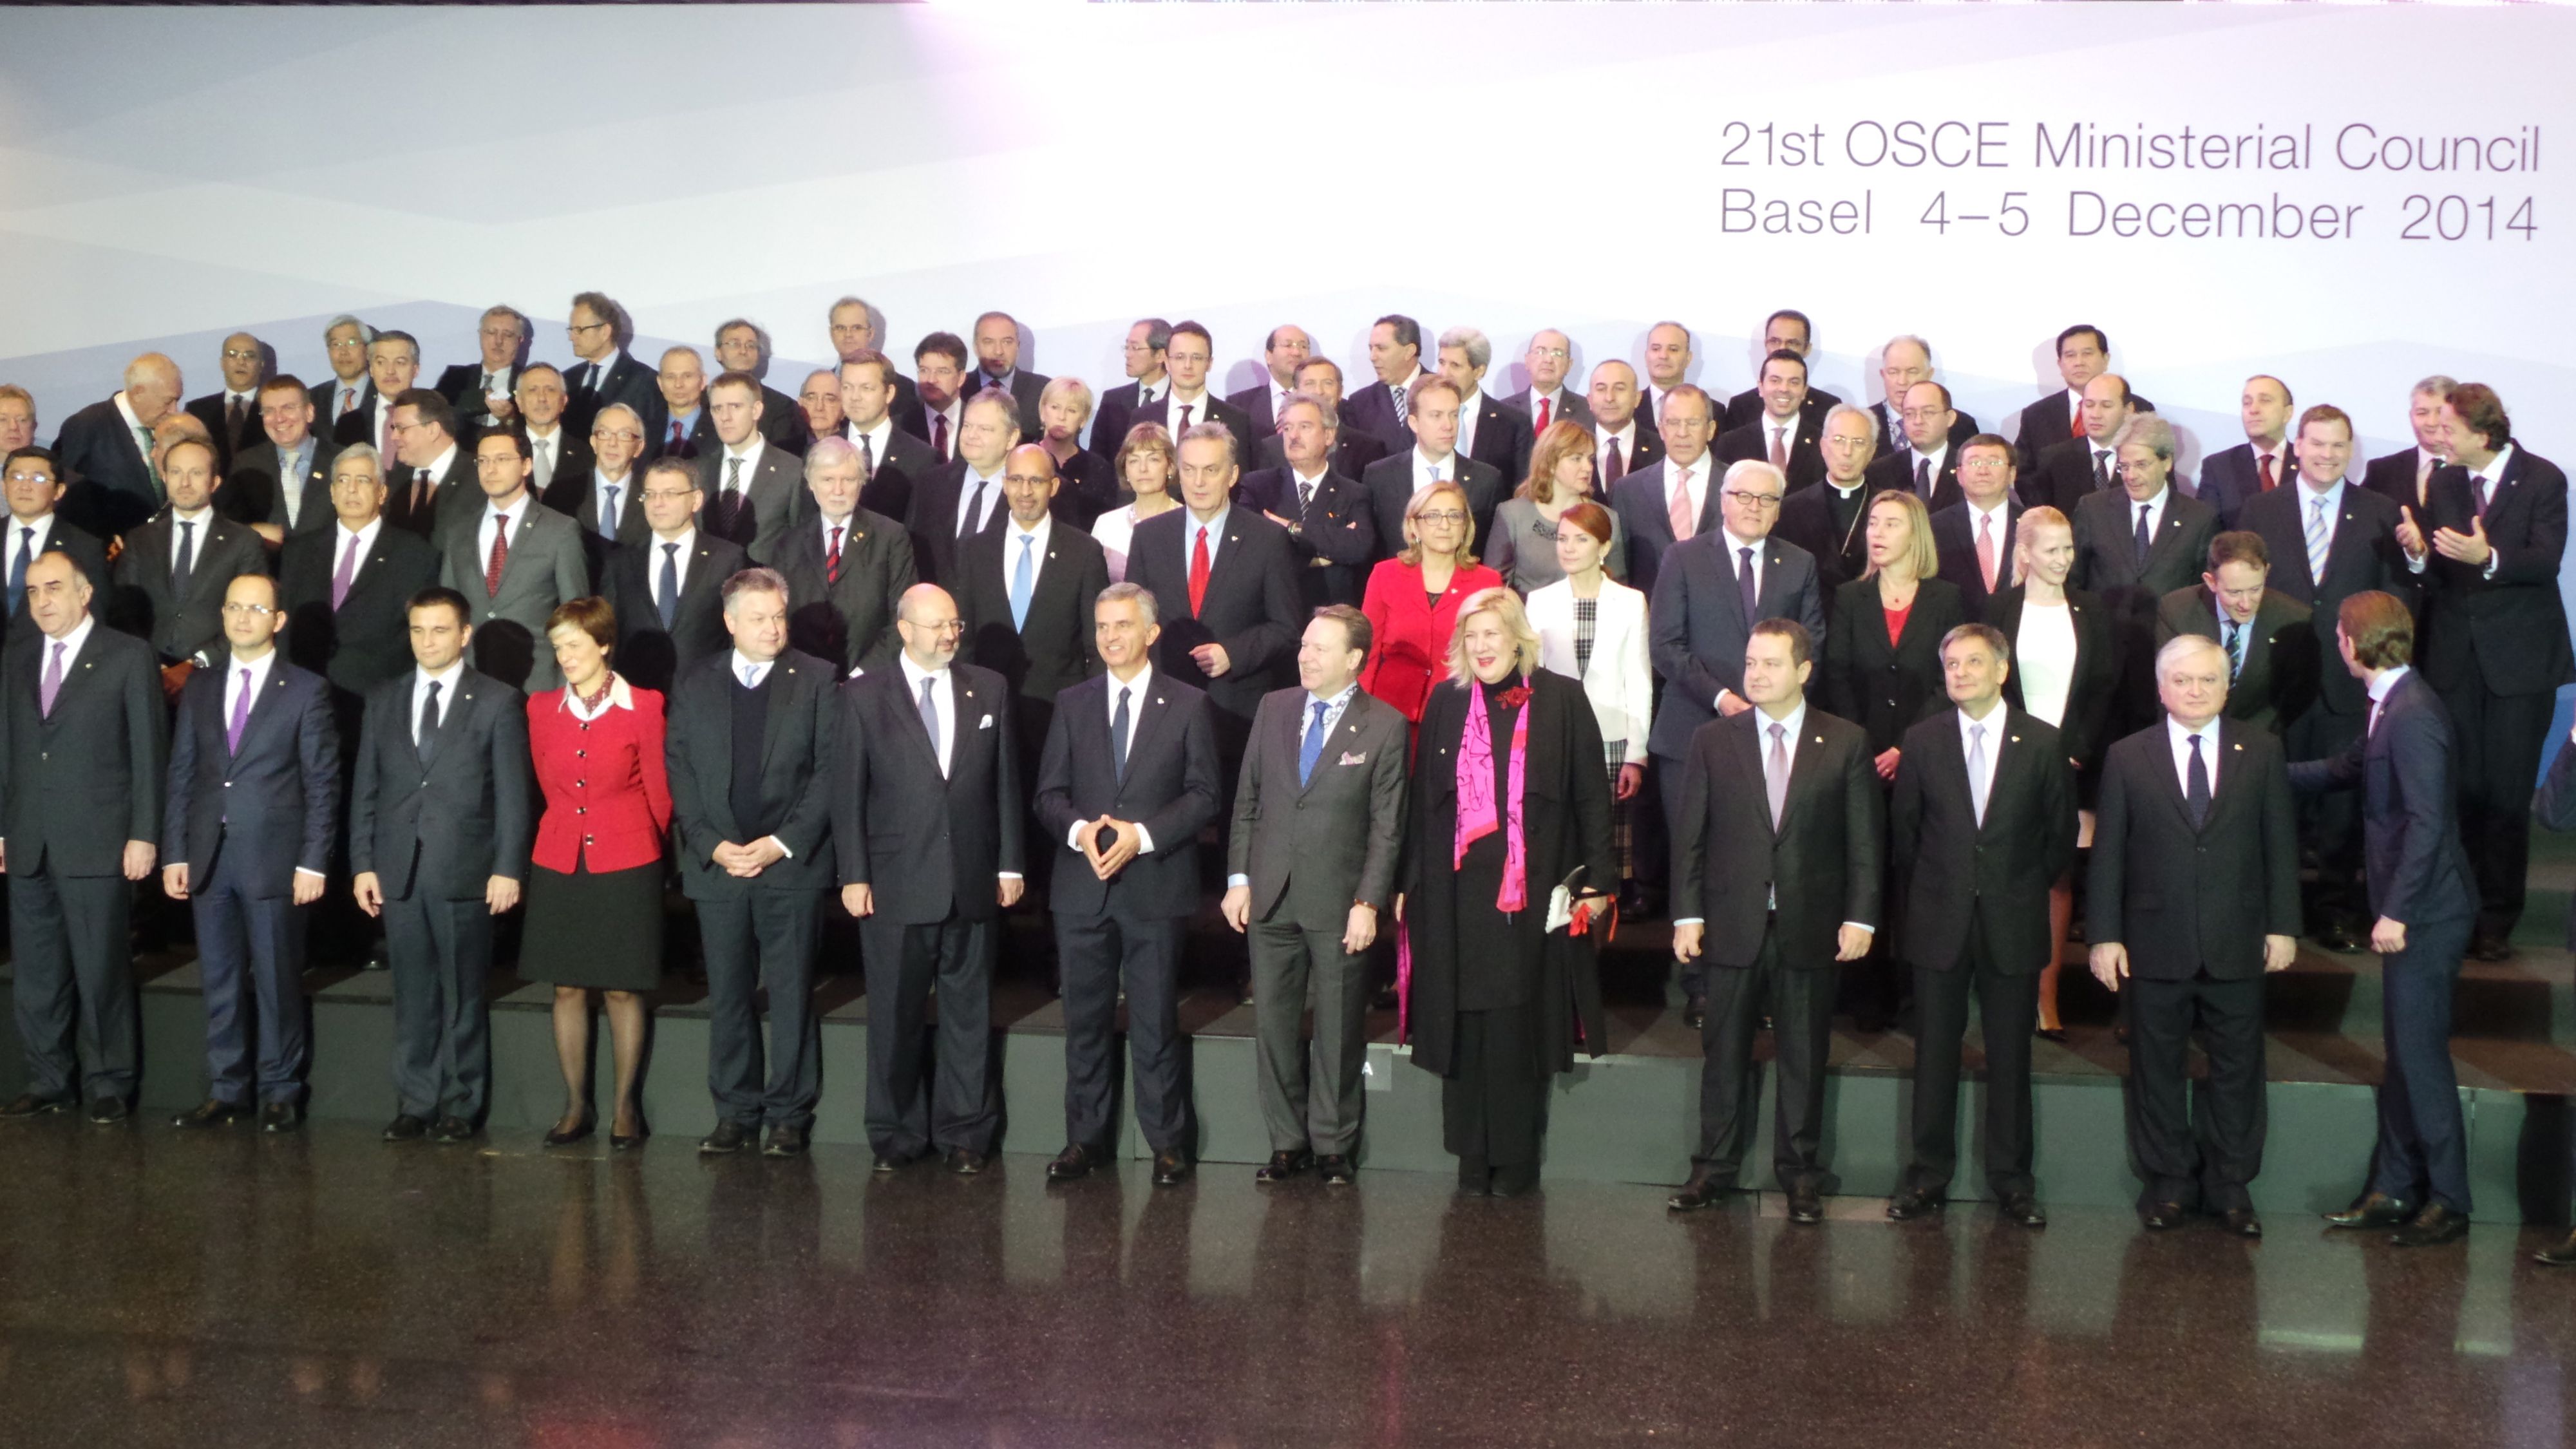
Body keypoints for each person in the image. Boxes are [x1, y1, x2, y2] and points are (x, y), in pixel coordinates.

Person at [1667, 618, 1880, 1222]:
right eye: (1751, 662)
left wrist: (1861, 918)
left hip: (1810, 924)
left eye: (1771, 664)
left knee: (1804, 1056)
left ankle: (1801, 1176)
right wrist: (1687, 914)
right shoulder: (1714, 740)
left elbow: (1864, 841)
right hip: (1731, 922)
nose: (1756, 674)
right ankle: (1712, 1170)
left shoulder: (1846, 741)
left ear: (1804, 671)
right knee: (1723, 1054)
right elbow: (1690, 838)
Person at [1404, 587, 1615, 1197]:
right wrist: (1410, 883)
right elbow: (1423, 802)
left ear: (1519, 638)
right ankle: (1472, 1157)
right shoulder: (1447, 700)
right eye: (1470, 636)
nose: (1480, 646)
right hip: (1458, 896)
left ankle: (1516, 1160)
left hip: (1533, 893)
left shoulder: (1562, 699)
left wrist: (1599, 882)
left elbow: (1591, 797)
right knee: (1464, 1024)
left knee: (1518, 1025)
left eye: (1491, 634)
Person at [2088, 633, 2300, 1237]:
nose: (2196, 690)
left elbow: (2279, 844)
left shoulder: (2261, 750)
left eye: (2209, 679)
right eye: (2182, 680)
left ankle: (2232, 1186)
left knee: (2239, 1068)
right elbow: (2109, 854)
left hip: (2238, 936)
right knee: (2156, 1068)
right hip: (2154, 938)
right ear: (2162, 689)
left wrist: (2284, 925)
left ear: (2227, 687)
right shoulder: (2128, 755)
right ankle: (2170, 1183)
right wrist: (2104, 935)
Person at [2288, 592, 2476, 1247]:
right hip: (2419, 909)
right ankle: (2394, 1187)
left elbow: (2427, 823)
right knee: (2404, 1054)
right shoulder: (2389, 703)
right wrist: (2252, 769)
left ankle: (2449, 1198)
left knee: (2420, 1058)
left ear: (2351, 642)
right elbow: (2345, 769)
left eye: (2339, 636)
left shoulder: (2412, 714)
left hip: (2427, 913)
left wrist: (2396, 909)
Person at [1885, 624, 2076, 1227]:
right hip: (1937, 920)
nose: (1961, 673)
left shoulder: (2042, 742)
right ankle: (1926, 1176)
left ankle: (2013, 1182)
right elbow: (1906, 834)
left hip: (2012, 919)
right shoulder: (1922, 740)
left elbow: (2059, 835)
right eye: (1951, 664)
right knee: (1934, 1055)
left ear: (2001, 670)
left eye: (1973, 662)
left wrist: (2013, 885)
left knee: (2011, 1056)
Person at [1033, 582, 1220, 1186]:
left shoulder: (1188, 705)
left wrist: (1142, 836)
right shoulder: (1072, 703)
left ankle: (1167, 1143)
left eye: (1122, 625)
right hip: (1081, 889)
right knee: (1084, 1022)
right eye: (1102, 626)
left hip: (1155, 888)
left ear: (1151, 632)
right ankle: (1084, 1140)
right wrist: (1080, 831)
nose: (1110, 637)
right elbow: (1048, 794)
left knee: (1155, 1020)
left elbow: (1205, 794)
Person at [837, 583, 1025, 1175]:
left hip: (971, 878)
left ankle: (966, 1133)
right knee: (894, 1017)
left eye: (955, 624)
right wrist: (854, 875)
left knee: (969, 1016)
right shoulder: (864, 696)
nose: (950, 635)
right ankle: (896, 1133)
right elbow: (848, 794)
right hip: (895, 883)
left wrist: (1010, 863)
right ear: (904, 629)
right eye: (938, 625)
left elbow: (1005, 783)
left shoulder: (989, 688)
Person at [1224, 604, 1409, 1186]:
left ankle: (1333, 1144)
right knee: (1274, 1028)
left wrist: (1368, 902)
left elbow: (1387, 827)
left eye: (1319, 648)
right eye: (1304, 644)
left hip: (1339, 902)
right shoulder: (1273, 708)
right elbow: (1248, 801)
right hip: (1270, 895)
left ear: (1354, 659)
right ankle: (1287, 1142)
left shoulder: (1385, 725)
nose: (1304, 656)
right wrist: (1238, 880)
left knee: (1338, 1029)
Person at [348, 586, 533, 1144]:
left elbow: (513, 795)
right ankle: (416, 1101)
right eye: (418, 630)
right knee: (412, 994)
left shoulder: (497, 701)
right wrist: (362, 862)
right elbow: (366, 787)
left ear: (464, 634)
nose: (427, 641)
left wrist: (508, 867)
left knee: (462, 994)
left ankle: (460, 1102)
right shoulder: (384, 698)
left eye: (439, 630)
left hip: (465, 868)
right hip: (398, 867)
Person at [665, 568, 839, 1157]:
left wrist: (782, 843)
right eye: (760, 618)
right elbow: (680, 767)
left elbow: (829, 772)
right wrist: (709, 843)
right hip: (718, 865)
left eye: (779, 617)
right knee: (729, 993)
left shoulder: (817, 679)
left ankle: (788, 1115)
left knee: (791, 992)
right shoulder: (696, 680)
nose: (773, 628)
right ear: (730, 622)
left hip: (788, 865)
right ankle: (735, 1112)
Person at [1647, 459, 1826, 1025]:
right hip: (1692, 732)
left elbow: (1813, 645)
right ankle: (1702, 984)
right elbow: (1666, 645)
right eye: (1743, 496)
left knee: (1760, 860)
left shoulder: (1799, 563)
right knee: (1697, 856)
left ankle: (1762, 986)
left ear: (1779, 508)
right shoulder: (1683, 557)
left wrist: (1773, 705)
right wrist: (1724, 698)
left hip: (1775, 736)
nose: (1754, 507)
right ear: (1722, 499)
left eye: (1766, 499)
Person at [2395, 382, 2568, 961]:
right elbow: (2436, 571)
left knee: (2506, 795)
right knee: (2461, 791)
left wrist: (2487, 557)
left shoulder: (2543, 479)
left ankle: (2496, 919)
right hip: (2454, 660)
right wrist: (2417, 553)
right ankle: (2458, 908)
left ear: (2483, 433)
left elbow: (2546, 561)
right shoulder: (2444, 481)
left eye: (2447, 428)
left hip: (2520, 664)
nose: (2435, 434)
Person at [160, 573, 338, 1132]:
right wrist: (175, 853)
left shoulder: (306, 690)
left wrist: (313, 860)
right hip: (209, 856)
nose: (242, 617)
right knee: (219, 979)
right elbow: (183, 773)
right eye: (234, 606)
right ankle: (226, 1088)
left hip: (275, 859)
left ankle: (281, 1089)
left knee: (279, 980)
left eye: (255, 609)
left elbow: (322, 783)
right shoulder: (201, 687)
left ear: (278, 621)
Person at [2239, 404, 2414, 952]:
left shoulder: (2380, 511)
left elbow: (2393, 598)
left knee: (2343, 807)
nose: (2328, 454)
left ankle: (2336, 911)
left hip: (2347, 685)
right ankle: (2279, 913)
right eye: (2317, 443)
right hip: (2277, 684)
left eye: (2339, 445)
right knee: (2277, 802)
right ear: (2297, 446)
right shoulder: (2259, 509)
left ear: (2351, 450)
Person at [0, 553, 167, 1122]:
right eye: (32, 591)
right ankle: (49, 1078)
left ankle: (108, 1081)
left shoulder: (127, 655)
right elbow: (8, 749)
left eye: (53, 588)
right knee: (37, 974)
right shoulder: (18, 657)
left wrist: (144, 834)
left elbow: (148, 752)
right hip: (29, 839)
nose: (42, 600)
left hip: (98, 840)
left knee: (101, 972)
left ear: (85, 592)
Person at [522, 597, 672, 1152]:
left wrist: (642, 847)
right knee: (566, 986)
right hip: (560, 858)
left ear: (604, 645)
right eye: (557, 646)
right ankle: (575, 1105)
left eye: (575, 645)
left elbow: (659, 793)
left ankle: (625, 1107)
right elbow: (547, 783)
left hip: (627, 859)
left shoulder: (645, 706)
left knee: (621, 988)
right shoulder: (541, 708)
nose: (565, 656)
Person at [1824, 489, 1964, 1030]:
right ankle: (1861, 996)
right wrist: (1862, 747)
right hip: (1860, 760)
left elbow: (1947, 681)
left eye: (1891, 524)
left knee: (1916, 880)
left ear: (1916, 535)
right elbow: (1837, 673)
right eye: (1873, 523)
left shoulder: (1946, 598)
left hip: (1923, 760)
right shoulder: (1851, 597)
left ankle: (1913, 997)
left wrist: (1906, 747)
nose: (1877, 533)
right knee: (1864, 871)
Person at [1985, 507, 2114, 1041]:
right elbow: (1988, 684)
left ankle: (2046, 994)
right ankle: (2004, 991)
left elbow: (2104, 684)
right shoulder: (1998, 608)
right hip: (2008, 761)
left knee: (2057, 877)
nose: (2063, 559)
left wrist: (2075, 748)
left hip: (2071, 764)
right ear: (2025, 553)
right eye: (2052, 549)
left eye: (2068, 549)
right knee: (2005, 874)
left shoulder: (2091, 609)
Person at [1124, 422, 1302, 784]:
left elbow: (1287, 628)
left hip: (1237, 713)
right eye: (1189, 470)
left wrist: (1232, 654)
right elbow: (1133, 624)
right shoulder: (1149, 536)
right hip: (1163, 713)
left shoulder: (1267, 540)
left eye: (1210, 470)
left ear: (1233, 475)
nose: (1198, 482)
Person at [956, 443, 1111, 770]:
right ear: (1004, 484)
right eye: (1016, 480)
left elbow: (1096, 645)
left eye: (1036, 481)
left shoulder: (1084, 552)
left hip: (1058, 717)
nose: (1025, 491)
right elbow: (964, 641)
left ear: (1053, 486)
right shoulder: (974, 550)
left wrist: (1085, 713)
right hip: (987, 715)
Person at [1526, 502, 1651, 904]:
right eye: (1563, 539)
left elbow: (1639, 679)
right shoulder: (1539, 601)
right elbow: (1534, 676)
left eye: (1581, 539)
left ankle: (1601, 919)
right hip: (1557, 736)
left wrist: (1636, 754)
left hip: (1611, 736)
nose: (1568, 548)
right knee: (1562, 836)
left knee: (1605, 842)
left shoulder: (1630, 601)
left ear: (1604, 547)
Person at [2072, 413, 2219, 741]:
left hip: (2165, 664)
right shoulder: (2093, 509)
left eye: (2141, 465)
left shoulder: (2199, 518)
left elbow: (2203, 596)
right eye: (2124, 466)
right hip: (2103, 663)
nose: (2131, 476)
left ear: (2166, 461)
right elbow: (2075, 581)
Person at [111, 435, 268, 700]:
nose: (184, 483)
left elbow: (252, 614)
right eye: (176, 472)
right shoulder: (140, 539)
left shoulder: (243, 542)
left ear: (215, 482)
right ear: (164, 477)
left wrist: (197, 663)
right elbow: (124, 612)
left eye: (196, 473)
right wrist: (154, 665)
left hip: (216, 681)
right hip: (148, 679)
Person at [439, 428, 588, 692]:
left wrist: (566, 690)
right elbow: (447, 610)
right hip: (471, 682)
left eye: (502, 459)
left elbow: (576, 618)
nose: (490, 469)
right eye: (483, 461)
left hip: (537, 683)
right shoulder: (459, 531)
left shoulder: (560, 530)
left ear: (526, 465)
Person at [1359, 479, 1504, 724]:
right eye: (1433, 516)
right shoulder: (1384, 575)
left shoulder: (1487, 581)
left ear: (1465, 526)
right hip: (1391, 711)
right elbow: (1367, 652)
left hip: (1460, 710)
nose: (1445, 525)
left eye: (1454, 516)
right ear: (1413, 526)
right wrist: (1360, 711)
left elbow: (1495, 652)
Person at [770, 437, 916, 676]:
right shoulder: (789, 545)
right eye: (827, 479)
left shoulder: (891, 538)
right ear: (811, 483)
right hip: (806, 678)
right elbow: (779, 619)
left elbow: (903, 618)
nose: (838, 490)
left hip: (871, 680)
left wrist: (860, 675)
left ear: (862, 482)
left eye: (848, 480)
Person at [603, 457, 749, 695]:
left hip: (705, 695)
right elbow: (609, 635)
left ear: (696, 500)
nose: (658, 503)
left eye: (670, 494)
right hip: (637, 697)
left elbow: (738, 636)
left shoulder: (727, 559)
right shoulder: (620, 563)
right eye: (650, 494)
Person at [2152, 531, 2320, 735]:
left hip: (2258, 739)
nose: (2246, 604)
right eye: (2234, 592)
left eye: (2255, 589)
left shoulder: (2293, 619)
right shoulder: (2177, 610)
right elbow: (2168, 686)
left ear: (2266, 572)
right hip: (2191, 733)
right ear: (2211, 581)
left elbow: (2296, 698)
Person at [1235, 392, 1376, 611]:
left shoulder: (1354, 493)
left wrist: (1292, 529)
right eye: (1287, 428)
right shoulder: (1258, 486)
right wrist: (1319, 557)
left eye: (1305, 427)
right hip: (1273, 612)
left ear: (1329, 436)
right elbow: (1247, 548)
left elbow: (1357, 548)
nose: (1293, 436)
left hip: (1332, 615)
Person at [1361, 375, 1507, 554]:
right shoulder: (1379, 476)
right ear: (1414, 423)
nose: (1448, 426)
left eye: (1454, 415)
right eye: (1436, 416)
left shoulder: (1486, 480)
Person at [1605, 383, 1716, 604]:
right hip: (1649, 614)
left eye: (1693, 423)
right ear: (1661, 429)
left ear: (1711, 429)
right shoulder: (1629, 491)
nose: (1682, 433)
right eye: (1673, 423)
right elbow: (1619, 569)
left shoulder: (1738, 487)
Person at [1490, 419, 1628, 593]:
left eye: (1590, 459)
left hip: (1588, 610)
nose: (1588, 467)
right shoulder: (1513, 515)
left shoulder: (1606, 517)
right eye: (1576, 459)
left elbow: (1618, 587)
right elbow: (1494, 587)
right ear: (1550, 464)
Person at [54, 352, 184, 538]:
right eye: (168, 401)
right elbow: (64, 495)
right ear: (138, 393)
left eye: (177, 400)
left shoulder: (169, 429)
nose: (174, 411)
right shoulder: (87, 425)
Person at [905, 387, 1016, 589]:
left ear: (1012, 438)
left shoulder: (1028, 492)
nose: (971, 435)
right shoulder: (930, 483)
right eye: (967, 426)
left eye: (985, 429)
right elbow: (911, 556)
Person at [1772, 402, 1886, 598]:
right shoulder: (1791, 509)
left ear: (1872, 451)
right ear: (1823, 446)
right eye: (1839, 440)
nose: (1847, 452)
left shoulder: (1888, 509)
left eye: (1858, 442)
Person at [3, 446, 111, 647]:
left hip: (46, 659)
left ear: (59, 491)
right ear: (4, 486)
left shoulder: (85, 547)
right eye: (16, 477)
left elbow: (95, 617)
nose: (25, 486)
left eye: (37, 479)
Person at [2012, 325, 2155, 469]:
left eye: (2087, 354)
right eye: (2070, 355)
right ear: (2060, 364)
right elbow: (2023, 474)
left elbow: (2155, 467)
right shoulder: (2035, 415)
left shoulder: (2139, 409)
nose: (2079, 362)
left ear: (2105, 359)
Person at [695, 370, 802, 564]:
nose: (725, 417)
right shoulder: (697, 470)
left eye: (735, 407)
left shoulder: (792, 471)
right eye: (717, 408)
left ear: (756, 410)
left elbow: (802, 542)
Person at [224, 374, 340, 545]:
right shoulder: (246, 464)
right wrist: (254, 530)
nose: (279, 418)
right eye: (269, 411)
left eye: (288, 408)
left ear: (309, 413)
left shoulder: (340, 460)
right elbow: (228, 527)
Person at [1926, 433, 2025, 623]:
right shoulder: (1934, 527)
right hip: (1954, 630)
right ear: (1959, 475)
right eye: (1974, 463)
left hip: (2017, 629)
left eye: (1994, 463)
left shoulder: (2033, 525)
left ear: (2012, 473)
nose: (1983, 471)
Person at [542, 402, 647, 579]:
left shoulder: (653, 495)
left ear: (639, 447)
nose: (612, 443)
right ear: (593, 442)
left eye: (624, 435)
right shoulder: (561, 493)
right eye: (604, 433)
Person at [837, 350, 940, 526]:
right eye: (847, 387)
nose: (855, 397)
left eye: (866, 388)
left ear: (889, 393)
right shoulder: (821, 450)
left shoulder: (922, 458)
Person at [1135, 321, 1256, 467]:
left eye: (1197, 357)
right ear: (1167, 362)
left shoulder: (1235, 420)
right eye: (1180, 357)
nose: (1188, 365)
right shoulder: (1142, 417)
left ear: (1209, 363)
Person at [1436, 326, 1538, 486]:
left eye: (1455, 365)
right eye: (1442, 363)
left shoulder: (1514, 423)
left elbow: (1523, 486)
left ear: (1479, 372)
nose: (1444, 373)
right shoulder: (1422, 416)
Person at [1713, 351, 1825, 491]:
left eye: (1794, 382)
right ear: (1760, 388)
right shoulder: (1731, 443)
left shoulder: (1824, 444)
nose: (1784, 389)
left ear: (1804, 391)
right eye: (1775, 381)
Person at [2031, 374, 2142, 514]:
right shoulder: (2054, 459)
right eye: (2089, 405)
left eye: (2106, 406)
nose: (2095, 414)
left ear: (2128, 410)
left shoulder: (2145, 458)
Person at [2197, 375, 2298, 528]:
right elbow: (2205, 531)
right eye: (2247, 403)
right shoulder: (2219, 467)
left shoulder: (2307, 463)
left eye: (2265, 401)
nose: (2254, 409)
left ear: (2288, 413)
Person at [381, 386, 474, 547]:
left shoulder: (477, 476)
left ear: (433, 430)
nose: (393, 436)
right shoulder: (395, 479)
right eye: (393, 428)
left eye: (401, 429)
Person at [1719, 310, 1843, 431]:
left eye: (1792, 343)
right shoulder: (1741, 406)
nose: (1782, 348)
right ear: (1766, 344)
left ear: (1807, 349)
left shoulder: (1828, 407)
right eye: (1775, 341)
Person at [559, 291, 657, 441]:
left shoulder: (644, 380)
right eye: (571, 330)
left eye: (579, 330)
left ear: (605, 332)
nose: (572, 337)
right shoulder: (567, 379)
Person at [1090, 424, 1181, 583]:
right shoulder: (1106, 524)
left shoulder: (1187, 522)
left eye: (1153, 459)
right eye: (1134, 461)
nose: (1143, 469)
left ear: (1170, 467)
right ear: (1125, 469)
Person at [710, 317, 811, 455]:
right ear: (718, 352)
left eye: (751, 345)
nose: (743, 351)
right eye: (735, 344)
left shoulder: (783, 407)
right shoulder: (701, 402)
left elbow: (785, 459)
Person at [1863, 381, 1966, 513]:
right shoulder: (1878, 472)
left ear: (1950, 418)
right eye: (1909, 414)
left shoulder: (1967, 468)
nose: (1918, 421)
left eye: (1928, 413)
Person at [1866, 335, 1982, 448]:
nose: (1902, 381)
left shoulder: (1961, 426)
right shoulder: (1864, 423)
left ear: (1929, 374)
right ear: (1883, 375)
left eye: (1912, 372)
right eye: (1893, 372)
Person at [1032, 376, 1115, 529]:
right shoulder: (1022, 459)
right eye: (1055, 407)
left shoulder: (1099, 469)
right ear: (1043, 412)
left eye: (1071, 410)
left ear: (1083, 420)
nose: (1062, 417)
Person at [433, 305, 529, 437]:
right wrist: (481, 398)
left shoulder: (530, 380)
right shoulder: (455, 376)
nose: (499, 341)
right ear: (480, 335)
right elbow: (435, 413)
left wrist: (509, 418)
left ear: (520, 340)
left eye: (508, 335)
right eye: (491, 333)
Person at [2362, 375, 2454, 510]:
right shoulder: (2382, 471)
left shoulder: (2474, 469)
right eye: (2422, 413)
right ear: (2411, 416)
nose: (2432, 422)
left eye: (2440, 412)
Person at [182, 332, 267, 473]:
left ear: (261, 365)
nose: (241, 362)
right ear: (222, 363)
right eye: (233, 355)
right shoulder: (196, 410)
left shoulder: (274, 409)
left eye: (250, 355)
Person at [1342, 313, 1430, 449]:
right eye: (1371, 349)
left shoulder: (1445, 392)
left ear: (1409, 351)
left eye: (1381, 348)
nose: (1372, 357)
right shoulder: (1359, 404)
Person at [1090, 318, 1169, 456]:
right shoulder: (1112, 401)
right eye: (1127, 347)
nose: (1127, 355)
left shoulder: (1182, 399)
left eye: (1135, 348)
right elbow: (1097, 459)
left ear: (1160, 355)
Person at [969, 310, 1052, 439]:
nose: (999, 351)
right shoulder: (958, 389)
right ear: (975, 347)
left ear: (1018, 346)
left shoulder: (1044, 390)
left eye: (1007, 342)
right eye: (989, 342)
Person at [1228, 323, 1311, 440]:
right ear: (1269, 356)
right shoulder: (1239, 405)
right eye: (1288, 345)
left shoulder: (1321, 401)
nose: (1297, 352)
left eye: (1303, 346)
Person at [1504, 329, 1595, 435]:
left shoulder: (1589, 411)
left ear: (1569, 365)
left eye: (1558, 353)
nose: (1548, 360)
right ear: (1527, 361)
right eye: (1540, 352)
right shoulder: (1505, 410)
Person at [641, 346, 714, 460]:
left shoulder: (718, 431)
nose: (678, 384)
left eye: (687, 376)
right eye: (671, 377)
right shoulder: (644, 430)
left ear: (703, 381)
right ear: (660, 383)